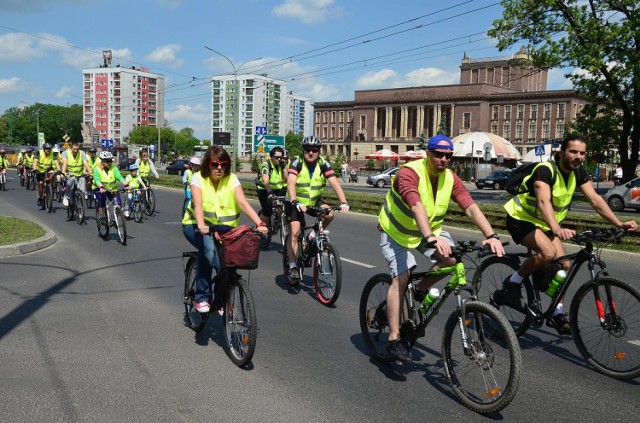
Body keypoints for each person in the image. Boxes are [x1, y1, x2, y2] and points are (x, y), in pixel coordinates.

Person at [378, 134, 505, 363]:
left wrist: (491, 235)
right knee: (402, 277)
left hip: (429, 232)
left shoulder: (450, 178)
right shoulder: (408, 173)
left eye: (448, 156)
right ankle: (394, 339)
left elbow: (470, 207)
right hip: (396, 232)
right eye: (438, 154)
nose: (443, 159)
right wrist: (430, 238)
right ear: (428, 153)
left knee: (452, 260)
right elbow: (416, 205)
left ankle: (419, 290)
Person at [496, 135, 638, 335]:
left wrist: (618, 223)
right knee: (548, 252)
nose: (578, 156)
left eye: (582, 153)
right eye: (573, 152)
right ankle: (513, 282)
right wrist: (556, 228)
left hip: (546, 224)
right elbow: (544, 201)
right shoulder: (545, 170)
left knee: (565, 265)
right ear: (561, 152)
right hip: (521, 220)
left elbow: (595, 200)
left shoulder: (577, 172)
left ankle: (556, 312)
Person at [182, 146, 268, 313]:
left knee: (227, 260)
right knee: (208, 251)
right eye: (215, 164)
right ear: (208, 164)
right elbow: (197, 204)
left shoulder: (232, 179)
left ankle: (221, 300)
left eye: (224, 164)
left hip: (224, 229)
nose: (220, 168)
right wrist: (201, 225)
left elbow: (243, 203)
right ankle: (202, 296)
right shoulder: (198, 179)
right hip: (195, 225)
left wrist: (260, 223)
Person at [285, 136, 350, 284]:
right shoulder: (297, 162)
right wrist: (294, 201)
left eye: (314, 150)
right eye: (307, 149)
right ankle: (293, 266)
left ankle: (312, 235)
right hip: (295, 202)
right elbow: (290, 183)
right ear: (303, 150)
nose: (311, 153)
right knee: (294, 232)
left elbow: (335, 183)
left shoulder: (323, 164)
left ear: (319, 151)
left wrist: (344, 202)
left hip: (313, 201)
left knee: (330, 213)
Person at [92, 151, 129, 224]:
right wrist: (101, 187)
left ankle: (114, 216)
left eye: (110, 161)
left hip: (112, 189)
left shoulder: (114, 168)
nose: (109, 163)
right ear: (102, 161)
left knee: (118, 203)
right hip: (100, 188)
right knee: (101, 199)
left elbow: (119, 176)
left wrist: (126, 184)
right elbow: (97, 180)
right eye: (107, 161)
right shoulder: (97, 169)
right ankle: (102, 216)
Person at [256, 146, 288, 228]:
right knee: (267, 211)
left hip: (278, 188)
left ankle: (279, 214)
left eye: (281, 157)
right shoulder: (266, 165)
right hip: (265, 190)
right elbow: (266, 181)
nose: (279, 159)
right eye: (276, 157)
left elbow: (286, 179)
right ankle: (261, 229)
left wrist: (284, 168)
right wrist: (270, 192)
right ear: (271, 157)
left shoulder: (281, 165)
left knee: (289, 202)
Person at [61, 141, 92, 211]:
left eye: (77, 149)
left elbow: (85, 163)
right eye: (74, 149)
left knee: (82, 191)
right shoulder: (65, 153)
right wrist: (63, 173)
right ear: (71, 148)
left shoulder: (82, 153)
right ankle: (66, 197)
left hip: (80, 174)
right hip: (70, 174)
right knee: (70, 182)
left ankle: (80, 205)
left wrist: (90, 172)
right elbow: (65, 163)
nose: (76, 151)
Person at [33, 143, 61, 208]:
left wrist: (59, 170)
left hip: (48, 169)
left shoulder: (53, 154)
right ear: (44, 149)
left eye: (49, 149)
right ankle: (40, 197)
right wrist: (35, 169)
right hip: (39, 170)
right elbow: (35, 162)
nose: (48, 150)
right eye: (47, 149)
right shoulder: (38, 153)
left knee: (52, 175)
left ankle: (49, 189)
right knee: (40, 183)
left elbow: (56, 162)